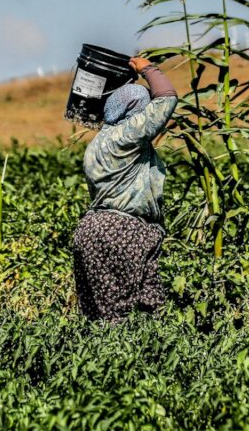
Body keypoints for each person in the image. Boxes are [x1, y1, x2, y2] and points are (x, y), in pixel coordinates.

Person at [72, 56, 177, 321]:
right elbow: (166, 99)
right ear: (135, 110)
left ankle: (100, 360)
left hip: (90, 230)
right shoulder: (128, 135)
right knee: (139, 312)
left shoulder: (97, 143)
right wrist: (147, 70)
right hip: (125, 231)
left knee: (99, 314)